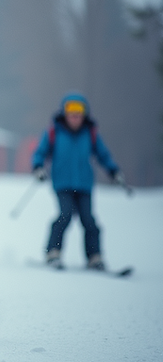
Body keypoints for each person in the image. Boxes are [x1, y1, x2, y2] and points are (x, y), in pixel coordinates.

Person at [30, 93, 124, 270]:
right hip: (63, 183)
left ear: (84, 114)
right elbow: (40, 152)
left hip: (84, 184)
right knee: (65, 215)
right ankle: (53, 252)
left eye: (79, 112)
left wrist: (114, 171)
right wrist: (37, 167)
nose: (75, 116)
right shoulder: (54, 131)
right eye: (71, 111)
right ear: (64, 113)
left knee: (88, 220)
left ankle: (94, 256)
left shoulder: (90, 133)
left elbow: (103, 154)